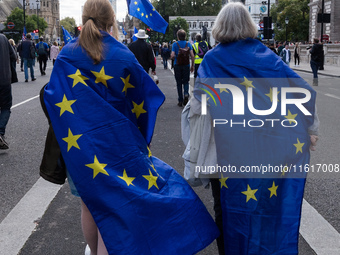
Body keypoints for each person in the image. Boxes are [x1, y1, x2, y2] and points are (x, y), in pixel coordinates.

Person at [40, 0, 219, 254]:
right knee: (115, 209)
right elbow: (144, 100)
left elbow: (53, 97)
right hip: (118, 146)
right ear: (111, 21)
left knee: (89, 205)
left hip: (79, 146)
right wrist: (140, 138)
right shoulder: (123, 55)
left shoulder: (67, 54)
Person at [182, 2, 319, 255]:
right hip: (266, 151)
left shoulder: (212, 60)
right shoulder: (267, 56)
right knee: (264, 208)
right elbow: (303, 92)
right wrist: (309, 128)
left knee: (226, 209)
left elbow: (199, 109)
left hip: (226, 152)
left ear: (220, 27)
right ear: (249, 25)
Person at [0, 34, 16, 149]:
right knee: (5, 107)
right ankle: (0, 132)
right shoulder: (3, 38)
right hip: (4, 79)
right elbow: (13, 56)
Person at [171, 29, 195, 107]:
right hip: (186, 65)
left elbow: (172, 55)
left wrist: (173, 57)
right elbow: (192, 55)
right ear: (185, 36)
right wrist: (192, 65)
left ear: (178, 36)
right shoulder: (188, 44)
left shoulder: (175, 44)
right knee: (186, 81)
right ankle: (186, 94)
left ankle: (180, 100)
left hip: (177, 65)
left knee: (178, 83)